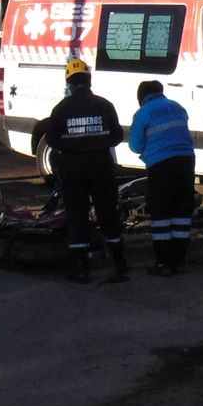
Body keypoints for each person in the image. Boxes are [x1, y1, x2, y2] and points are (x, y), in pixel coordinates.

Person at [44, 59, 127, 284]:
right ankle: (120, 266)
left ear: (69, 83)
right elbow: (117, 136)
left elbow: (51, 138)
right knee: (108, 213)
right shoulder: (104, 105)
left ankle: (81, 269)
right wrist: (98, 142)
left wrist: (71, 145)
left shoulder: (62, 108)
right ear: (89, 80)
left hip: (73, 167)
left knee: (77, 216)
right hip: (101, 165)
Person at [129, 80, 197, 276]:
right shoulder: (178, 108)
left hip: (160, 165)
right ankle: (179, 261)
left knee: (161, 212)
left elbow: (134, 146)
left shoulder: (143, 113)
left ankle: (163, 263)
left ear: (141, 97)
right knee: (181, 210)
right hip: (186, 161)